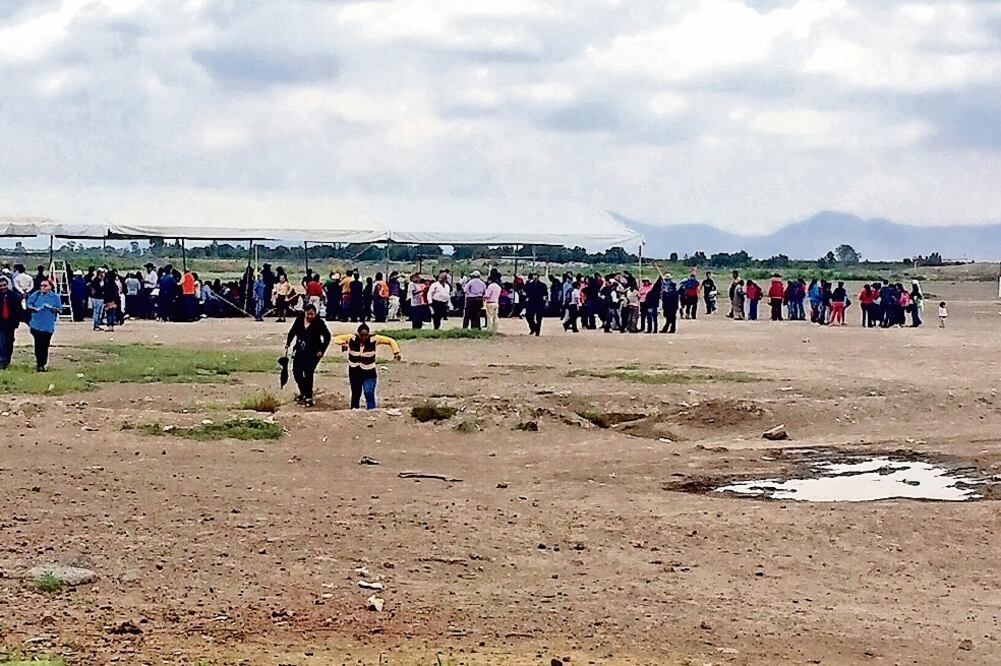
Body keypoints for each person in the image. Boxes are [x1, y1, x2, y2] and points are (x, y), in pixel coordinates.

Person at [331, 323, 401, 410]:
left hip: (369, 371)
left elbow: (391, 341)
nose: (364, 337)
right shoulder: (351, 338)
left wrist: (396, 352)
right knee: (356, 393)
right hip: (354, 371)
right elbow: (335, 339)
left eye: (366, 335)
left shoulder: (374, 339)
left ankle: (371, 410)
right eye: (362, 335)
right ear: (358, 334)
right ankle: (354, 410)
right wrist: (343, 343)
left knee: (369, 392)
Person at [284, 304, 331, 407]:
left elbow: (327, 336)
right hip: (300, 350)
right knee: (296, 372)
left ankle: (308, 396)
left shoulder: (319, 323)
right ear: (305, 312)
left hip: (313, 352)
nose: (310, 316)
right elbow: (293, 331)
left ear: (315, 313)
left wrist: (322, 350)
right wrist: (288, 343)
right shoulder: (299, 319)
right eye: (308, 314)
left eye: (312, 314)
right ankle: (303, 391)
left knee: (308, 372)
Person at [26, 280, 62, 372]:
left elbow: (60, 310)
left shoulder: (55, 297)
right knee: (38, 344)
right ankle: (39, 364)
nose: (42, 287)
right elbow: (28, 305)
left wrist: (51, 308)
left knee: (45, 345)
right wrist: (35, 308)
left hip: (48, 325)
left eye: (45, 285)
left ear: (50, 287)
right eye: (41, 285)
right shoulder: (36, 294)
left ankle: (43, 363)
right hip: (36, 324)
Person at [0, 279, 24, 369]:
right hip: (1, 323)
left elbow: (19, 311)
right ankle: (2, 361)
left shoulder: (14, 296)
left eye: (4, 285)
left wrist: (16, 322)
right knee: (2, 342)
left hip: (10, 323)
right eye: (1, 286)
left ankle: (7, 360)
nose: (3, 287)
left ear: (7, 285)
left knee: (9, 342)